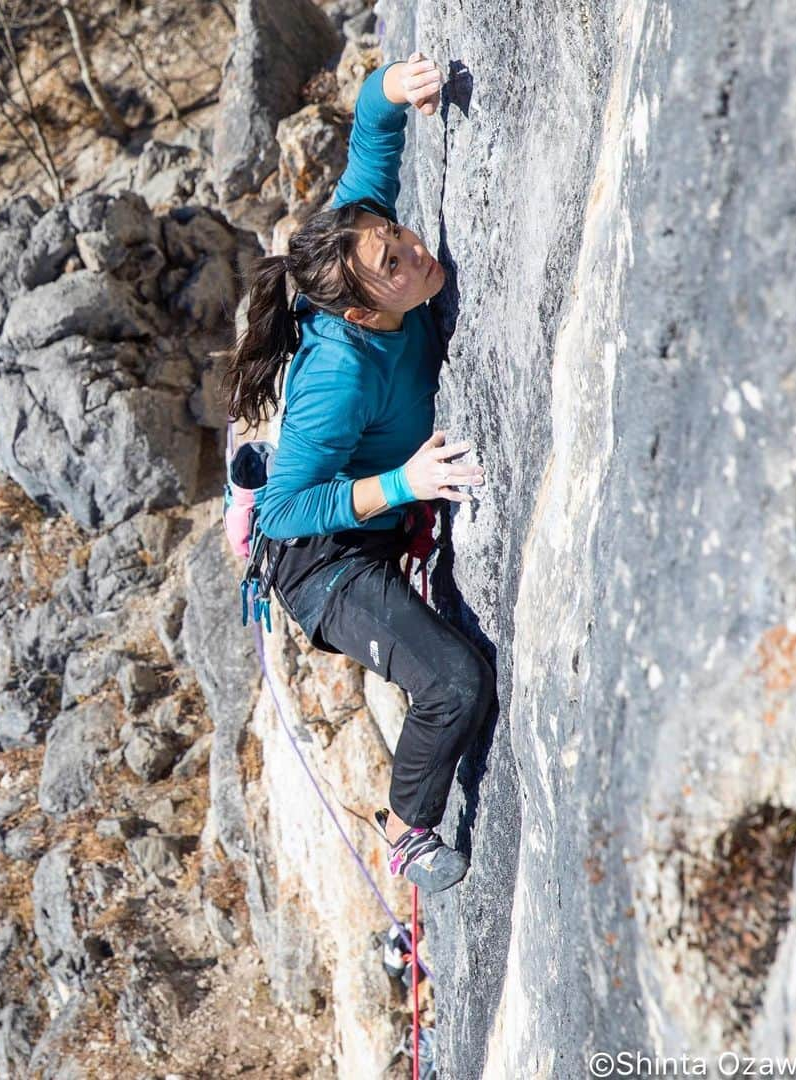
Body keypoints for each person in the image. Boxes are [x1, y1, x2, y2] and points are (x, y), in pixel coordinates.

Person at [220, 53, 496, 894]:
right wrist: (408, 484)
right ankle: (410, 832)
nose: (416, 251)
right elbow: (289, 511)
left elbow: (373, 141)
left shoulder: (355, 241)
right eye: (396, 264)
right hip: (320, 559)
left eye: (400, 241)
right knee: (453, 682)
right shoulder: (340, 375)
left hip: (361, 514)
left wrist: (389, 88)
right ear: (358, 309)